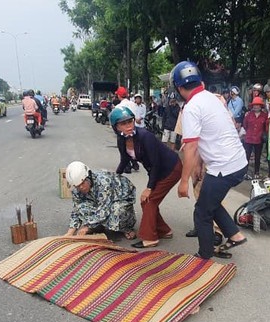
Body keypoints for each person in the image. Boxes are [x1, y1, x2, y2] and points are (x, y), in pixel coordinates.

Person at [172, 60, 248, 260]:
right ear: (200, 82)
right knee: (210, 202)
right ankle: (235, 234)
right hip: (239, 163)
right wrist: (196, 167)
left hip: (223, 167)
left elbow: (191, 147)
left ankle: (204, 255)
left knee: (202, 212)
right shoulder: (213, 98)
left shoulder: (191, 108)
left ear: (179, 88)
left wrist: (183, 181)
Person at [110, 107, 182, 248]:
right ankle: (164, 231)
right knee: (148, 201)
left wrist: (149, 188)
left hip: (170, 168)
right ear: (116, 127)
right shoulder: (122, 141)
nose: (129, 126)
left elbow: (155, 163)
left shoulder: (145, 136)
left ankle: (150, 238)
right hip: (156, 170)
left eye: (130, 121)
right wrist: (114, 177)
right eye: (123, 124)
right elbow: (124, 160)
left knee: (149, 200)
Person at [64, 161, 137, 239]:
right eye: (78, 186)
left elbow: (104, 211)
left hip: (120, 199)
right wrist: (70, 232)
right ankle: (99, 226)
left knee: (117, 210)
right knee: (82, 207)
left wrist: (87, 227)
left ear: (88, 177)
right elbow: (76, 210)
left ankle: (126, 228)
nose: (81, 187)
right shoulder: (76, 190)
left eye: (82, 183)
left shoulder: (104, 183)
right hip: (101, 202)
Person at [242, 96, 268, 179]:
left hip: (258, 139)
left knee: (258, 157)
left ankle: (256, 172)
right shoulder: (248, 115)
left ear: (261, 106)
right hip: (249, 138)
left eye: (258, 105)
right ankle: (244, 173)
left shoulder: (264, 115)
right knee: (247, 156)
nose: (256, 106)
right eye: (255, 105)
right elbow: (245, 125)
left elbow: (265, 127)